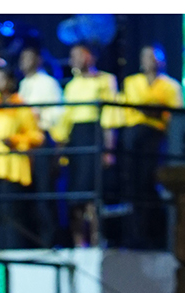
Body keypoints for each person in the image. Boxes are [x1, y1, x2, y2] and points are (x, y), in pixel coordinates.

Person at [53, 42, 118, 247]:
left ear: (90, 56)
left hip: (93, 134)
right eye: (72, 56)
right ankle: (78, 242)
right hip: (75, 138)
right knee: (75, 193)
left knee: (92, 192)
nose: (74, 60)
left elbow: (110, 115)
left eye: (78, 55)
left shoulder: (106, 80)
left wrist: (108, 148)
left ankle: (97, 239)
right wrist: (59, 147)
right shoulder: (71, 85)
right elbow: (65, 118)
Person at [118, 46, 182, 249]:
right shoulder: (131, 82)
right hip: (133, 138)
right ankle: (135, 235)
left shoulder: (171, 86)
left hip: (156, 138)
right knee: (132, 185)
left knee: (150, 183)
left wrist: (150, 108)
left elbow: (174, 114)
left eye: (153, 57)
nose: (150, 61)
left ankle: (152, 235)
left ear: (162, 61)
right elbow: (133, 107)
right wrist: (154, 108)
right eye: (145, 57)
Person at [0, 60, 44, 248]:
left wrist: (15, 140)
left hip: (12, 168)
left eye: (1, 78)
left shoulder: (19, 105)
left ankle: (13, 250)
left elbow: (37, 136)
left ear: (10, 81)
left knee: (12, 212)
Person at [18, 40, 64, 248]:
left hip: (43, 140)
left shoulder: (48, 83)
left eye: (28, 58)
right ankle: (33, 240)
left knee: (45, 191)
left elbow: (56, 114)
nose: (23, 62)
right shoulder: (23, 85)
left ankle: (50, 240)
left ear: (38, 60)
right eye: (22, 58)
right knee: (29, 193)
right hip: (25, 143)